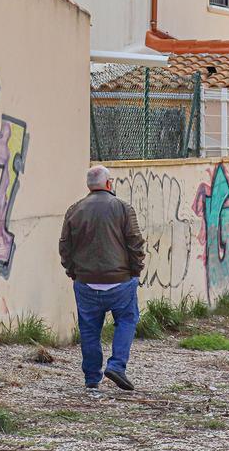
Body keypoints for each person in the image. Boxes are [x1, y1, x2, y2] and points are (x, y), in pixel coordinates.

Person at [59, 165, 146, 391]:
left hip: (86, 282)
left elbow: (65, 246)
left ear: (89, 186)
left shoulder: (74, 210)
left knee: (89, 329)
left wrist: (73, 272)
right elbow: (135, 242)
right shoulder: (123, 208)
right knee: (127, 320)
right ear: (109, 184)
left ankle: (91, 379)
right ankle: (117, 365)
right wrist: (135, 271)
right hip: (120, 280)